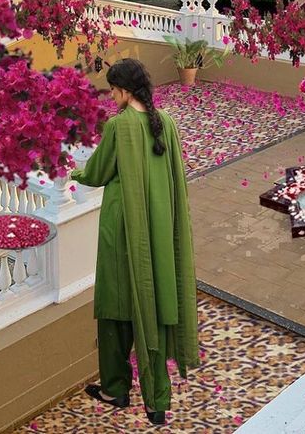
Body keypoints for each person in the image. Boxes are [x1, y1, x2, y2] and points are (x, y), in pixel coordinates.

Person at [70, 58, 198, 426]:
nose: (111, 96)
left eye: (112, 89)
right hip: (157, 235)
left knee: (114, 309)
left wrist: (71, 170)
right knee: (153, 307)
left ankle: (115, 388)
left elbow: (96, 173)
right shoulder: (168, 125)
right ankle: (157, 400)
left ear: (124, 90)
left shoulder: (119, 126)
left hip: (121, 232)